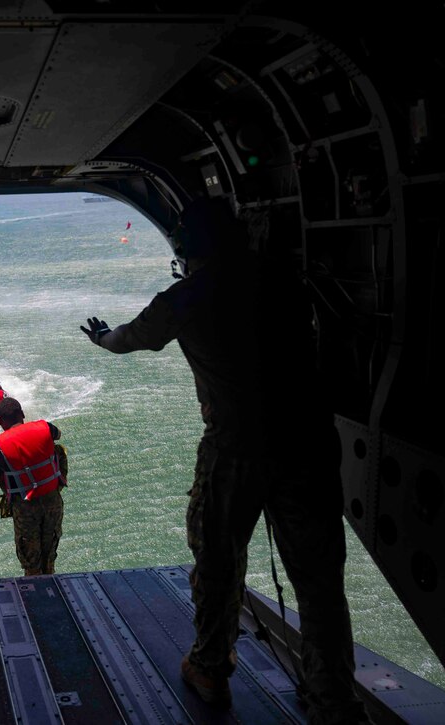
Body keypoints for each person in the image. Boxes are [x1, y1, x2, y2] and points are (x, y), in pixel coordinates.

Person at [80, 196, 370, 723]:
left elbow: (128, 339)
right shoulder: (285, 280)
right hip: (307, 443)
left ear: (190, 247)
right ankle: (335, 700)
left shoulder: (187, 298)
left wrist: (101, 337)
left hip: (236, 448)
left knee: (218, 560)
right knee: (320, 581)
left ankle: (212, 667)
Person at [0, 398, 66, 576]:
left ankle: (35, 594)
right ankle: (51, 583)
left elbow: (2, 481)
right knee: (49, 555)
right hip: (53, 499)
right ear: (22, 414)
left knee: (31, 561)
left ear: (0, 421)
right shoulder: (45, 427)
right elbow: (58, 435)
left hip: (24, 507)